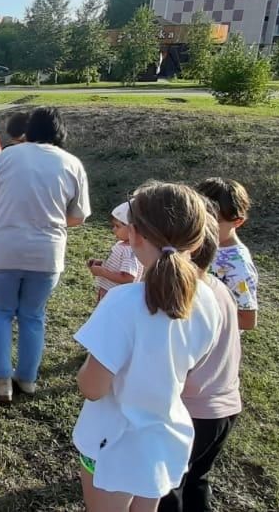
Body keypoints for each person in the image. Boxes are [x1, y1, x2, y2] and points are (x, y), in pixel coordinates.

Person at [72, 182, 223, 511]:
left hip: (111, 444)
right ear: (197, 239)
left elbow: (93, 387)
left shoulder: (121, 301)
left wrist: (87, 366)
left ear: (135, 234)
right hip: (165, 442)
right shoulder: (210, 300)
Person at [0, 107, 91, 403]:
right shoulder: (72, 163)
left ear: (29, 131)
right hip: (47, 254)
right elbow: (79, 215)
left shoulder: (7, 156)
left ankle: (3, 378)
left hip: (3, 249)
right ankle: (27, 378)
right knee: (33, 316)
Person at [158, 206, 243, 512]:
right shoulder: (218, 289)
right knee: (197, 480)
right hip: (224, 408)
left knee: (168, 488)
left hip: (190, 412)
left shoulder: (184, 299)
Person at [195, 177, 260, 331]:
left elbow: (247, 320)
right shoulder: (197, 243)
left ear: (237, 222)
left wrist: (202, 315)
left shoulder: (238, 267)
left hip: (212, 344)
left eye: (212, 221)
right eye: (198, 218)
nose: (200, 227)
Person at [86, 202, 142, 305]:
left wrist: (103, 272)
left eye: (117, 226)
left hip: (117, 299)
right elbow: (119, 267)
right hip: (109, 294)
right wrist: (102, 264)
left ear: (133, 230)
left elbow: (128, 278)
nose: (113, 229)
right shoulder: (121, 244)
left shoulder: (130, 251)